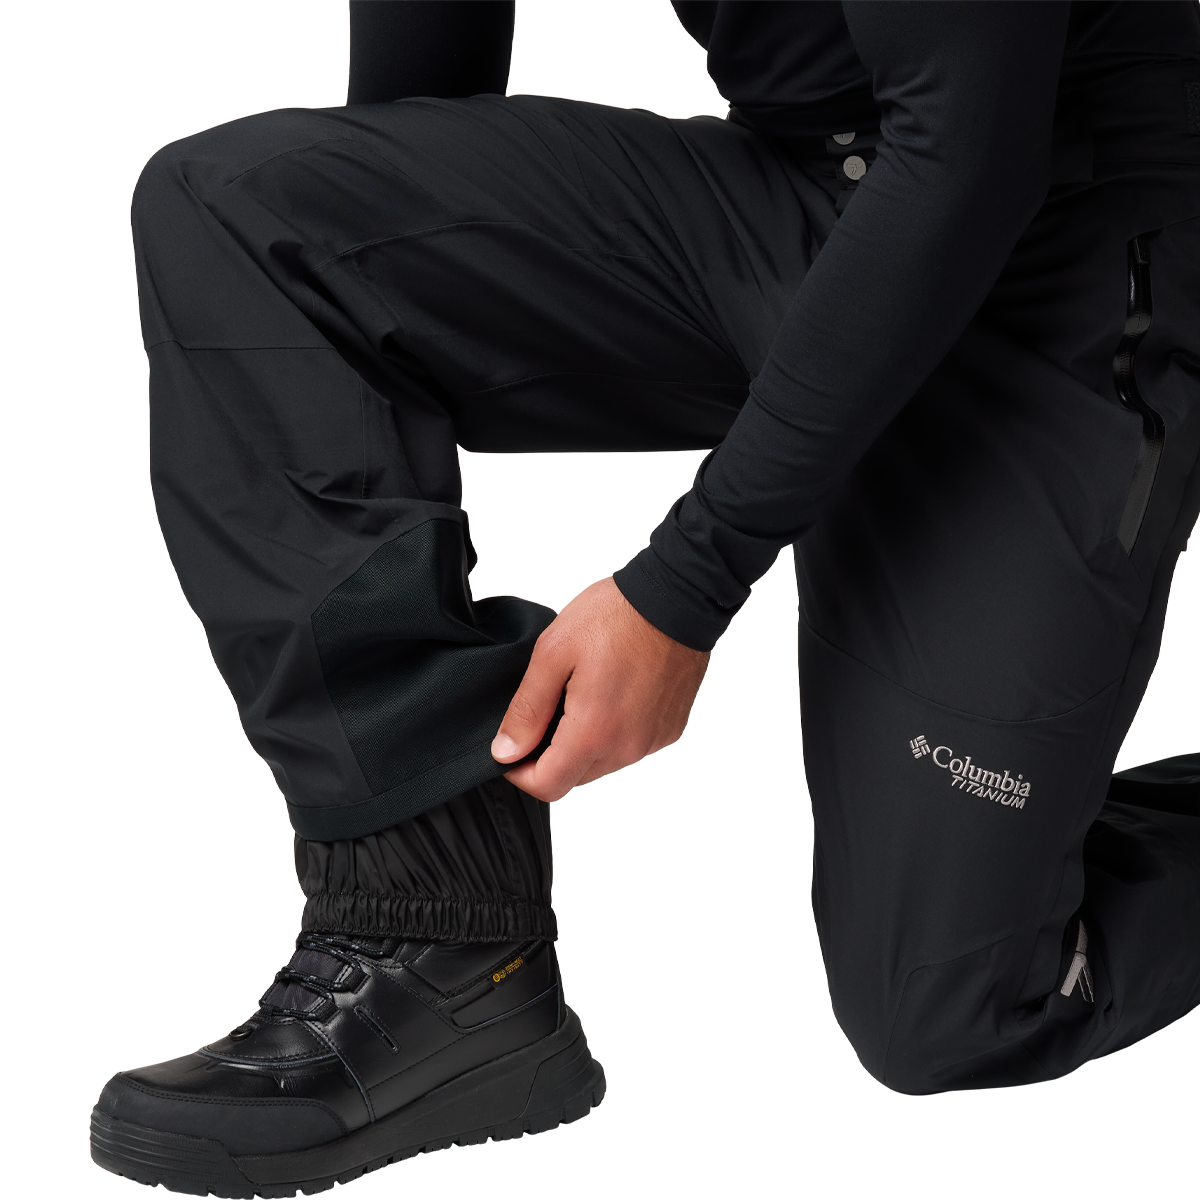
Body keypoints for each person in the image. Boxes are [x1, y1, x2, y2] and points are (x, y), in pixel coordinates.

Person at [90, 1, 1200, 1196]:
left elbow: (970, 151)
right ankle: (436, 946)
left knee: (950, 1008)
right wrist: (377, 269)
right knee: (254, 218)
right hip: (816, 192)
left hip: (1067, 247)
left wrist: (681, 589)